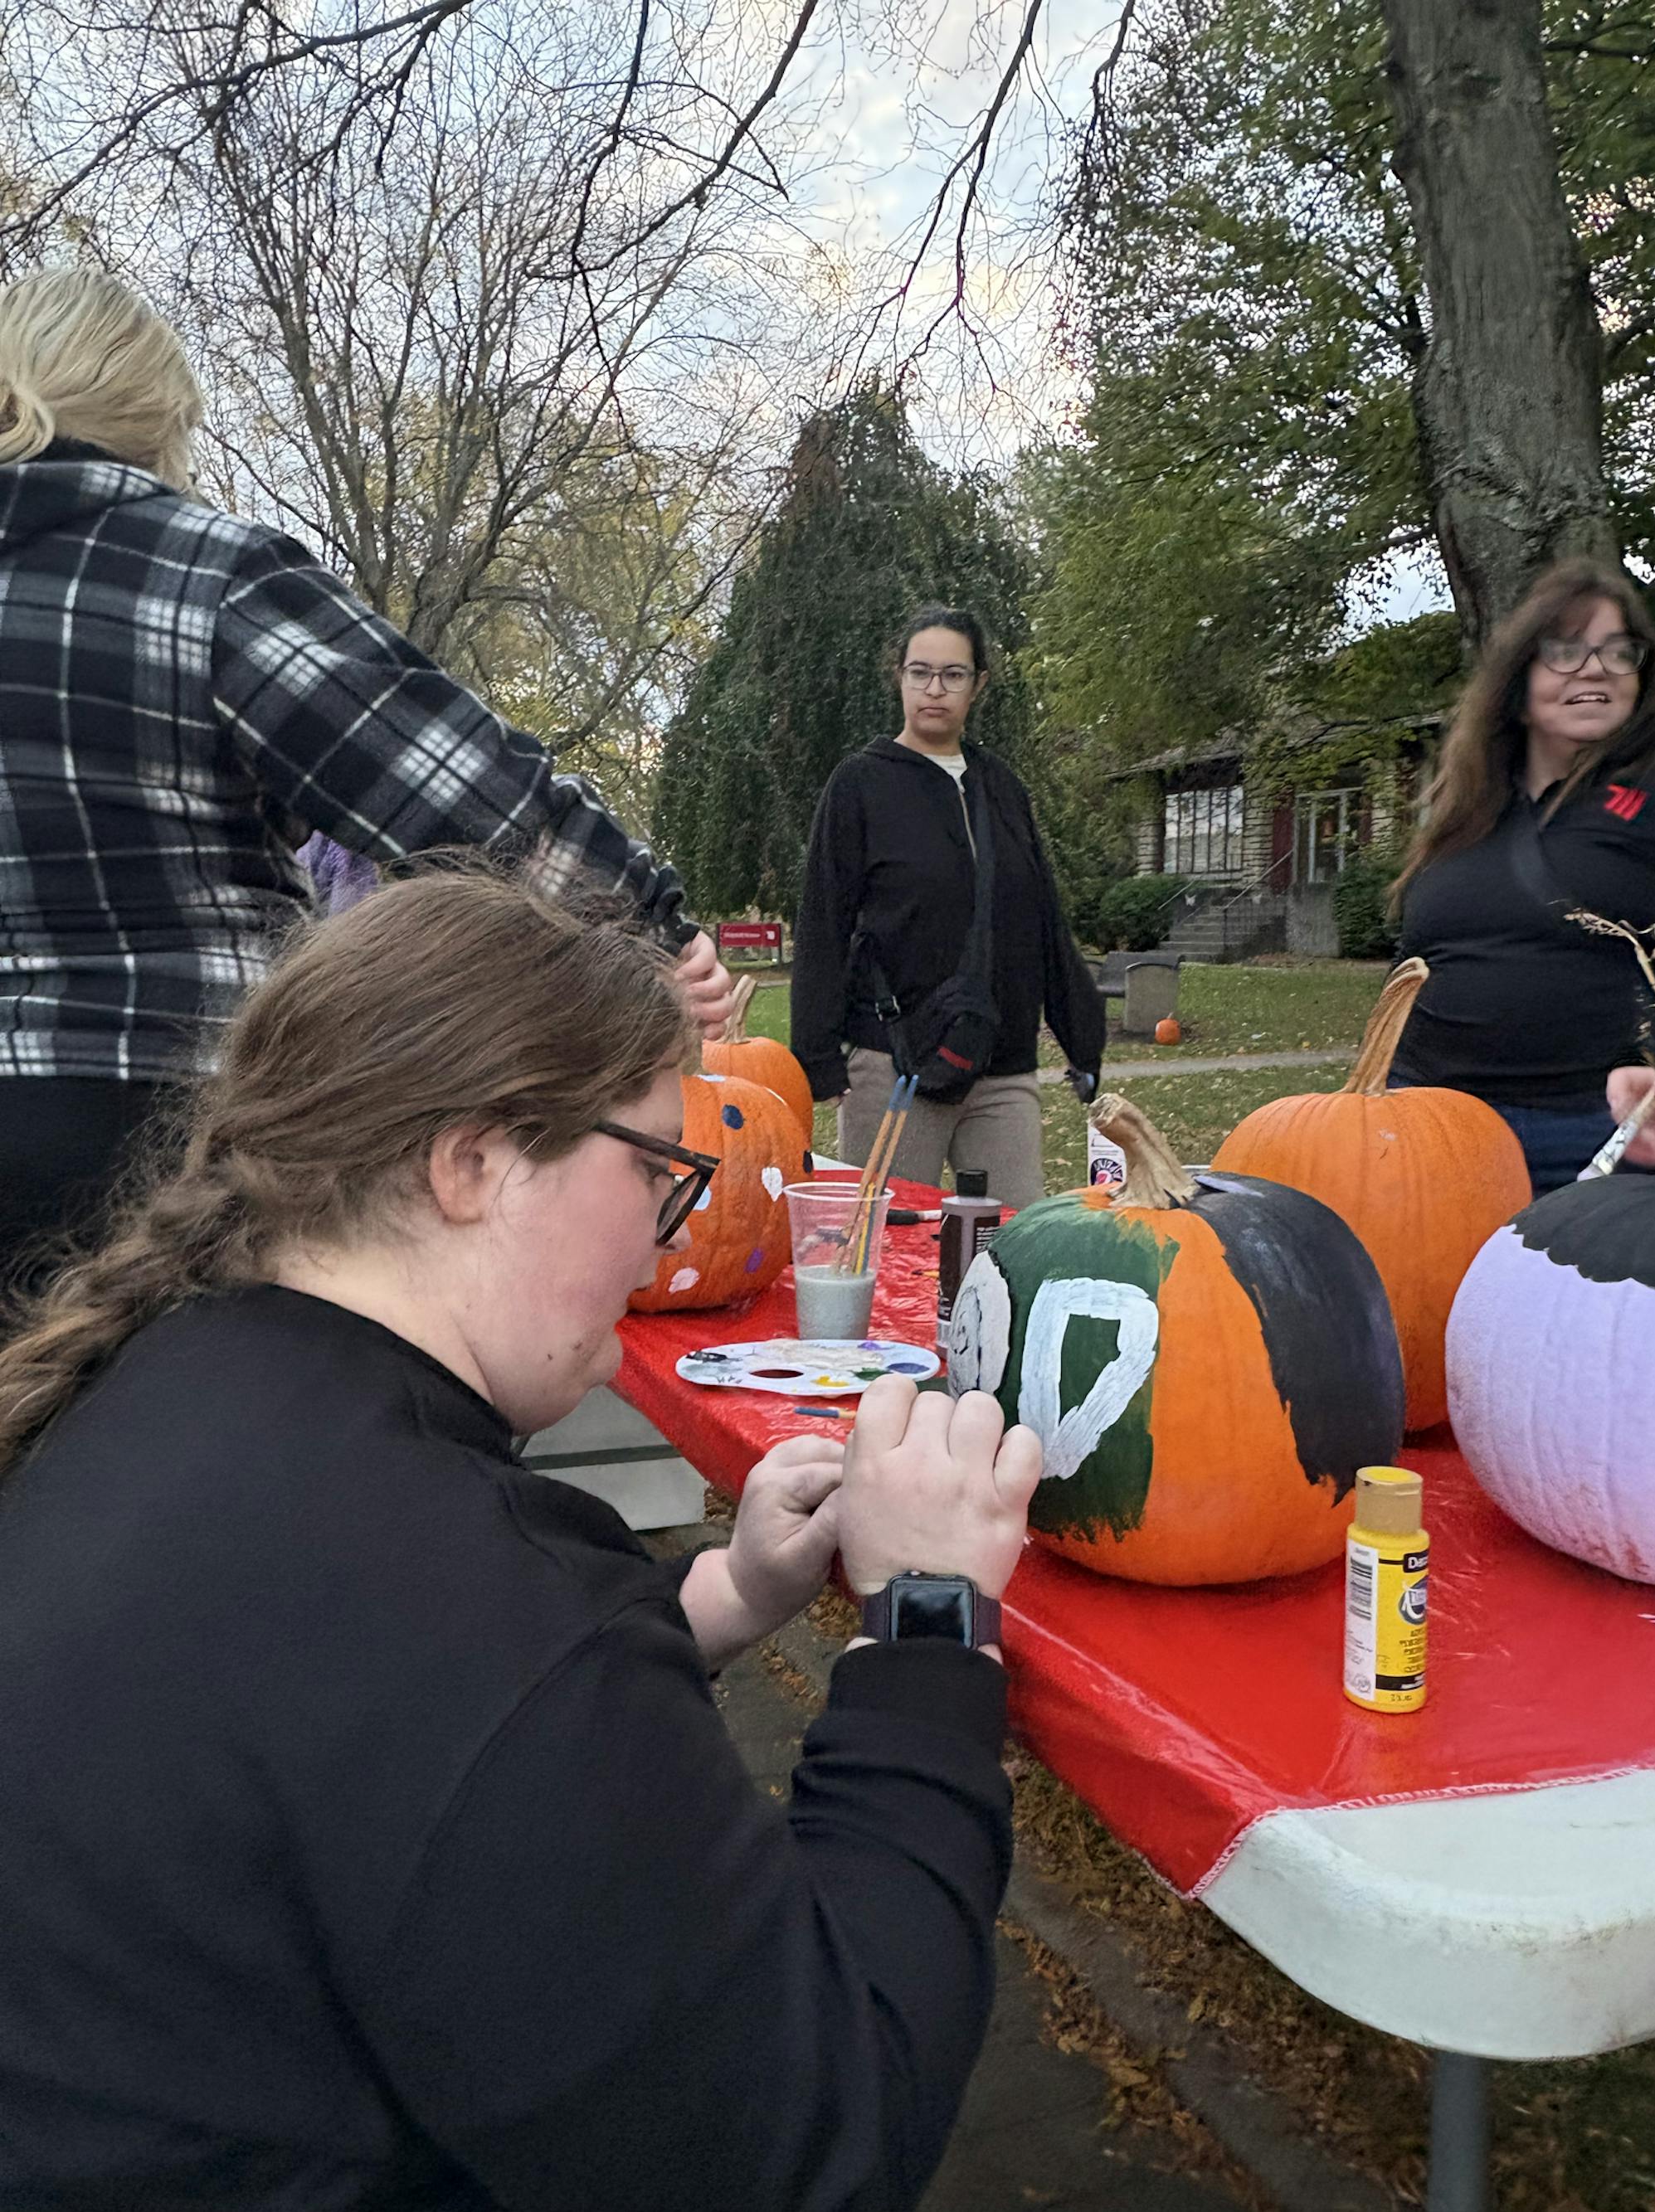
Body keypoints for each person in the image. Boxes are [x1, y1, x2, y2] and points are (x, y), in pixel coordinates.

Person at [0, 865, 1042, 2210]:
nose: (668, 1234)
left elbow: (378, 1728)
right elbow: (817, 2130)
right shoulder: (470, 1592)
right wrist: (929, 1626)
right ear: (474, 1160)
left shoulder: (164, 1387)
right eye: (661, 1168)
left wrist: (720, 1591)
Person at [0, 267, 733, 1280]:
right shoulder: (197, 577)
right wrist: (655, 932)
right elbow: (466, 797)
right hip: (167, 1141)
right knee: (198, 1434)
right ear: (153, 415)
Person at [791, 605, 1104, 1211]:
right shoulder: (860, 784)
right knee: (886, 1246)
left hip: (1003, 1064)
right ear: (899, 677)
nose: (935, 689)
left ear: (978, 684)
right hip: (896, 1062)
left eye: (953, 674)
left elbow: (1043, 921)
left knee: (1015, 1245)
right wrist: (819, 1058)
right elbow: (823, 921)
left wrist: (1081, 1036)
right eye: (920, 672)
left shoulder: (1003, 788)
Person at [1391, 559, 1655, 1194]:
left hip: (1584, 1138)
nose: (1594, 668)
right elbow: (1414, 958)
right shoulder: (1465, 813)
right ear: (1519, 682)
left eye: (1618, 651)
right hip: (1422, 1129)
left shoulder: (1649, 793)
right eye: (1566, 650)